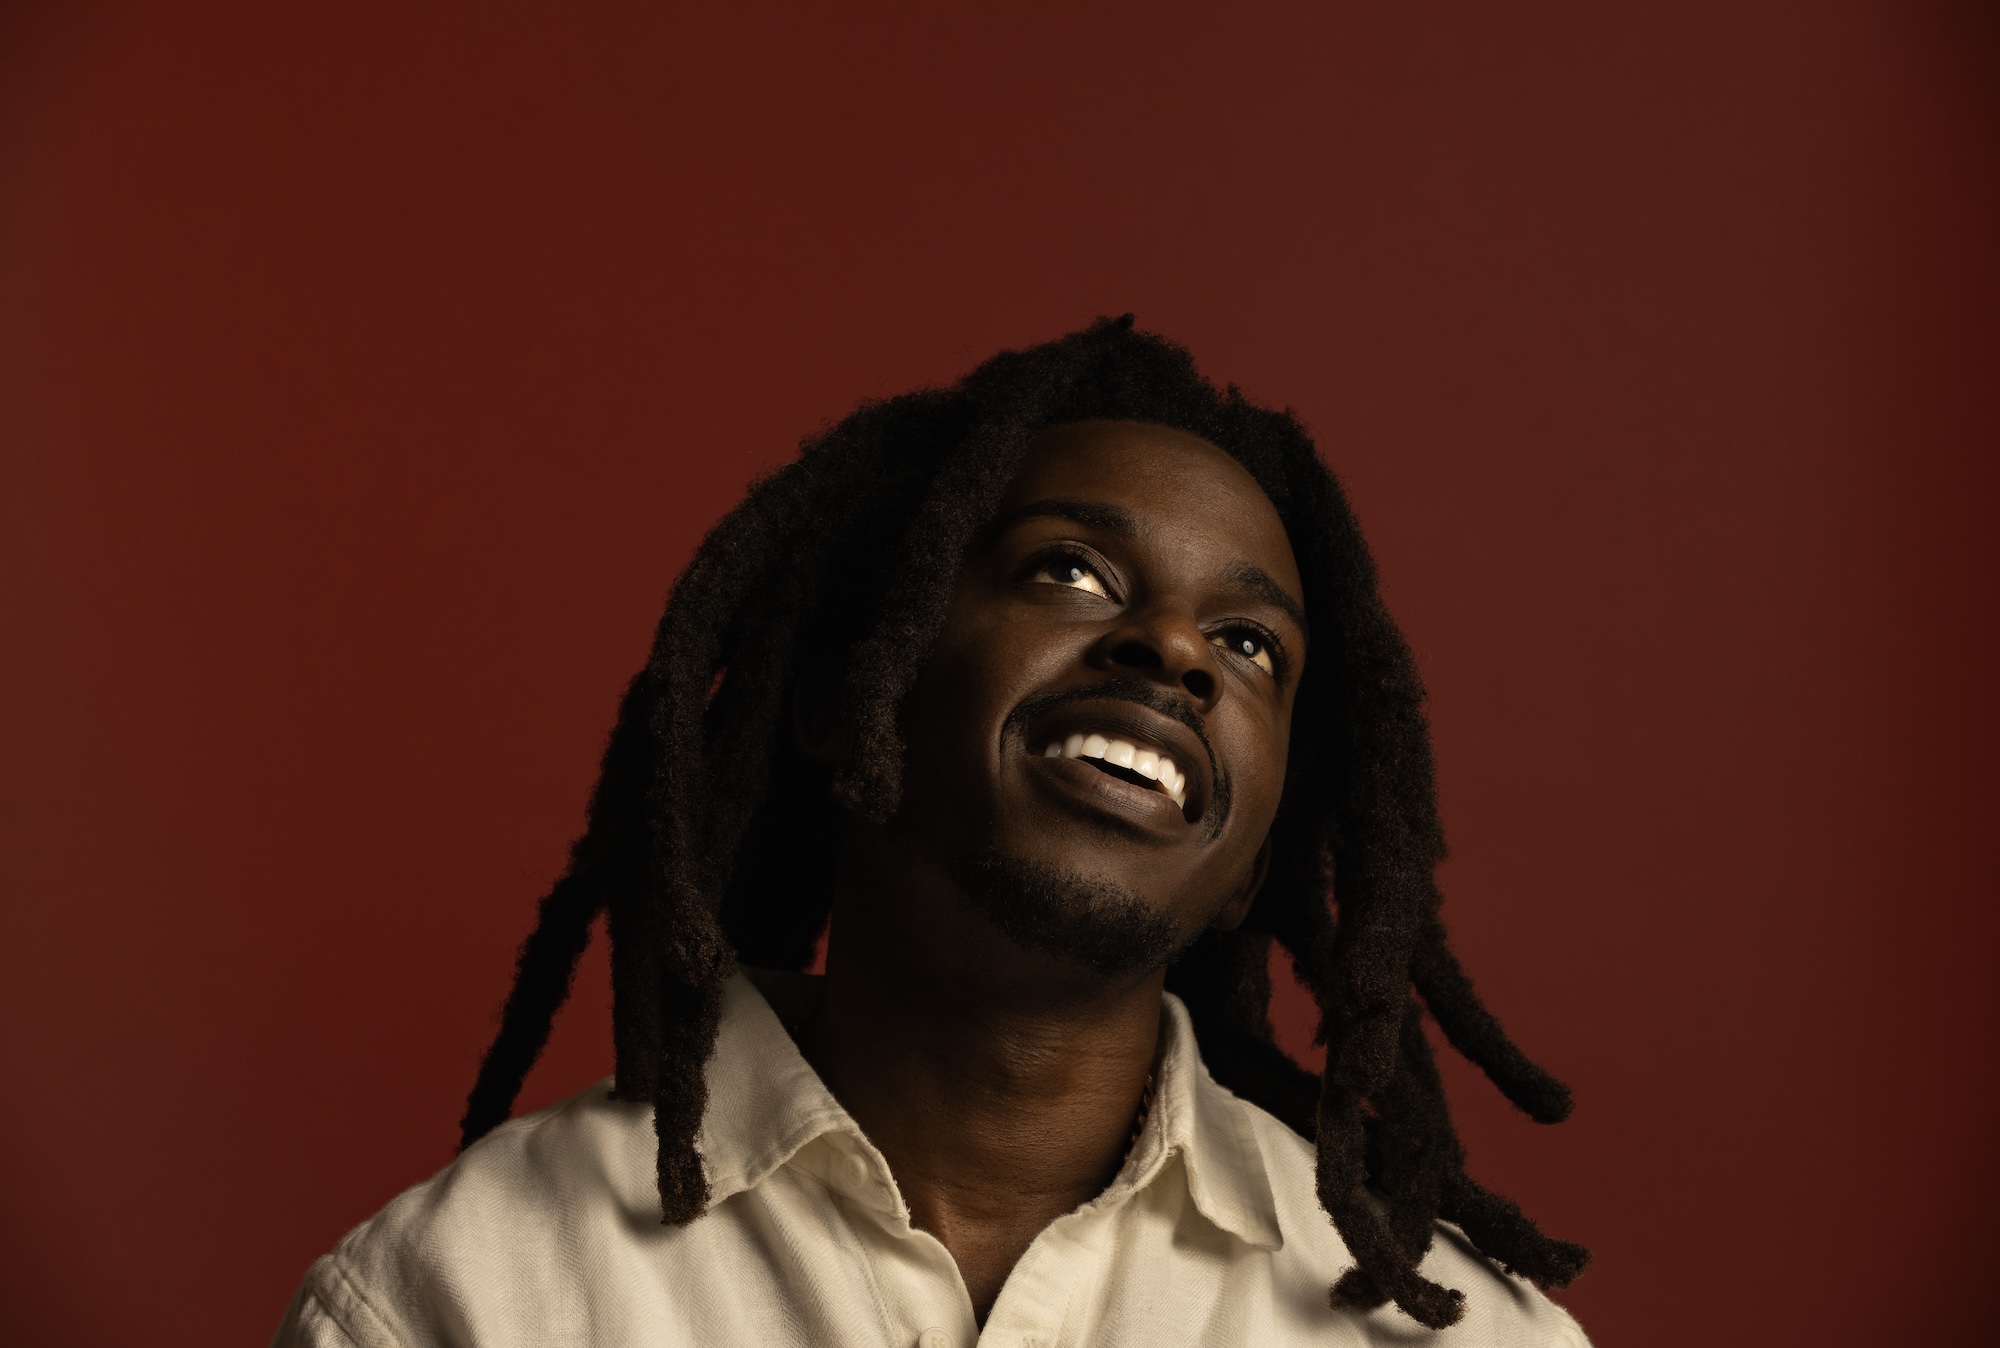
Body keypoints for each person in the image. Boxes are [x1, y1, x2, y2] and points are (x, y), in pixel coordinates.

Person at [273, 318, 1592, 1346]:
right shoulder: (458, 1300)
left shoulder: (1464, 1340)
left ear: (1254, 861)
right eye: (1071, 570)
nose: (1176, 650)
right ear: (852, 699)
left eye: (1249, 646)